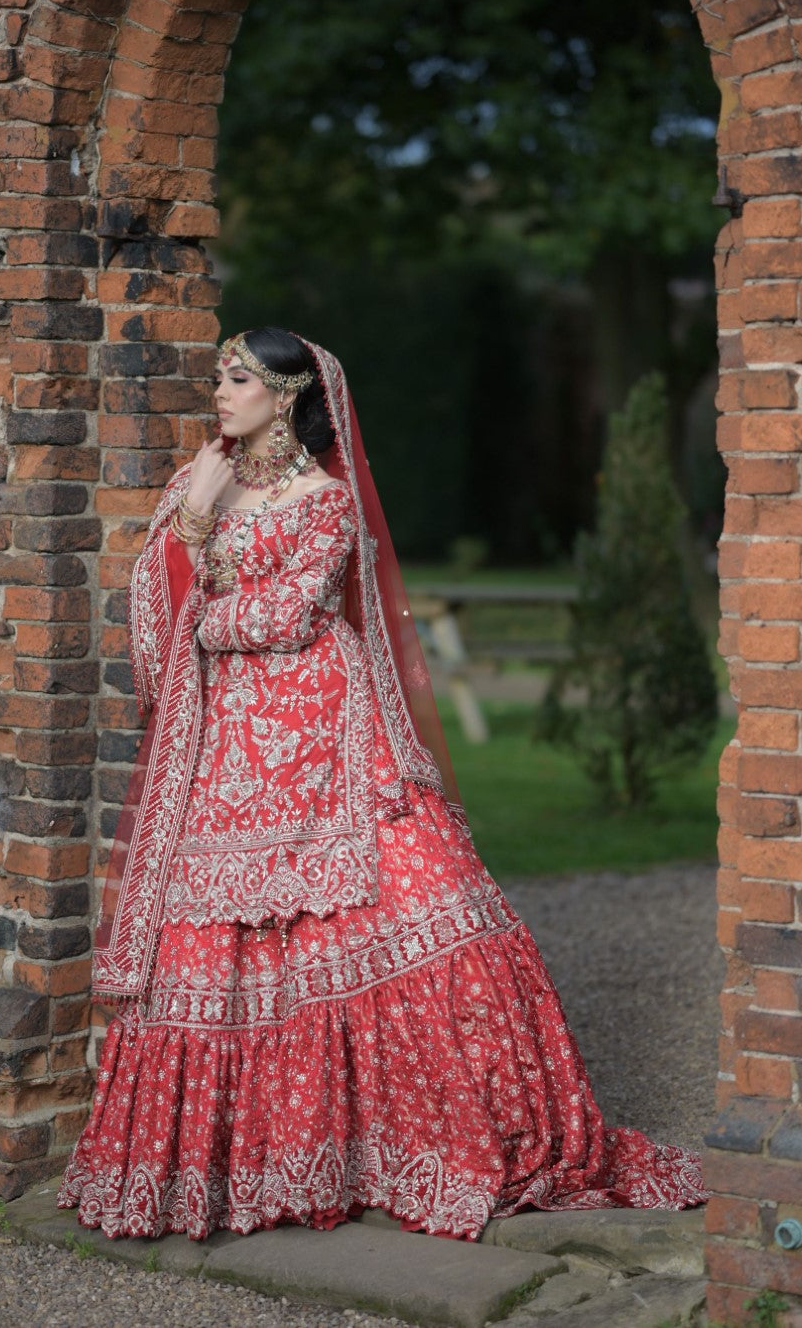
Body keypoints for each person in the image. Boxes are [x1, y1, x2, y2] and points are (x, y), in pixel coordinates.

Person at [57, 328, 706, 1240]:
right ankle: (254, 1163)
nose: (218, 392)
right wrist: (196, 529)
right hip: (225, 751)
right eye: (218, 377)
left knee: (434, 904)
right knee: (221, 951)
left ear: (285, 397)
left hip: (330, 738)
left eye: (235, 379)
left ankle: (448, 1137)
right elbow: (146, 610)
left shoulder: (327, 502)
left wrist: (204, 594)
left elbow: (288, 618)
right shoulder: (199, 480)